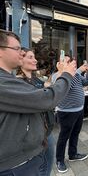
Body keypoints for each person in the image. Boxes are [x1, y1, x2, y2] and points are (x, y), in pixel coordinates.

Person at [0, 30, 76, 175]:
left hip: (35, 146)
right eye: (17, 49)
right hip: (18, 165)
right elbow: (46, 99)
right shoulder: (6, 82)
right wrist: (66, 75)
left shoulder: (11, 79)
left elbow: (45, 91)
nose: (21, 53)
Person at [16, 48, 55, 176]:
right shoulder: (18, 83)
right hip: (34, 135)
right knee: (38, 168)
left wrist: (56, 75)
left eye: (34, 57)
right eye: (31, 57)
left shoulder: (35, 79)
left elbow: (47, 87)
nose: (35, 60)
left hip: (47, 130)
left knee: (48, 164)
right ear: (20, 60)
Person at [52, 56, 88, 173]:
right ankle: (59, 160)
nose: (72, 64)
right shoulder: (57, 76)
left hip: (79, 110)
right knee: (63, 137)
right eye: (68, 62)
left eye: (72, 62)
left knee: (75, 134)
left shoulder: (77, 75)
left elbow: (87, 82)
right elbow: (64, 87)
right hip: (66, 112)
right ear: (60, 64)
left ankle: (72, 154)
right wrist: (73, 70)